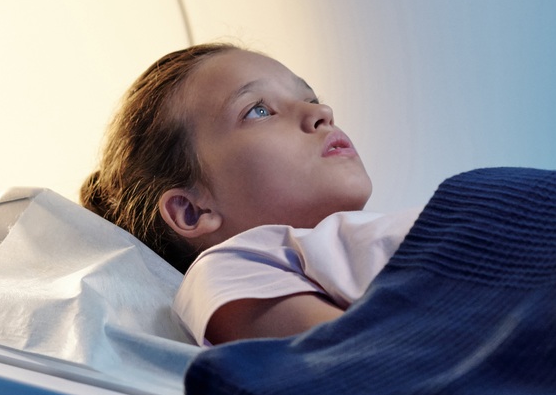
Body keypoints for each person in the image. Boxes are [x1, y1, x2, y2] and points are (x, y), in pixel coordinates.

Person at [80, 43, 419, 346]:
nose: (321, 113)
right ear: (192, 210)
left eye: (311, 99)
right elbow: (377, 361)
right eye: (259, 110)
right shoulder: (231, 267)